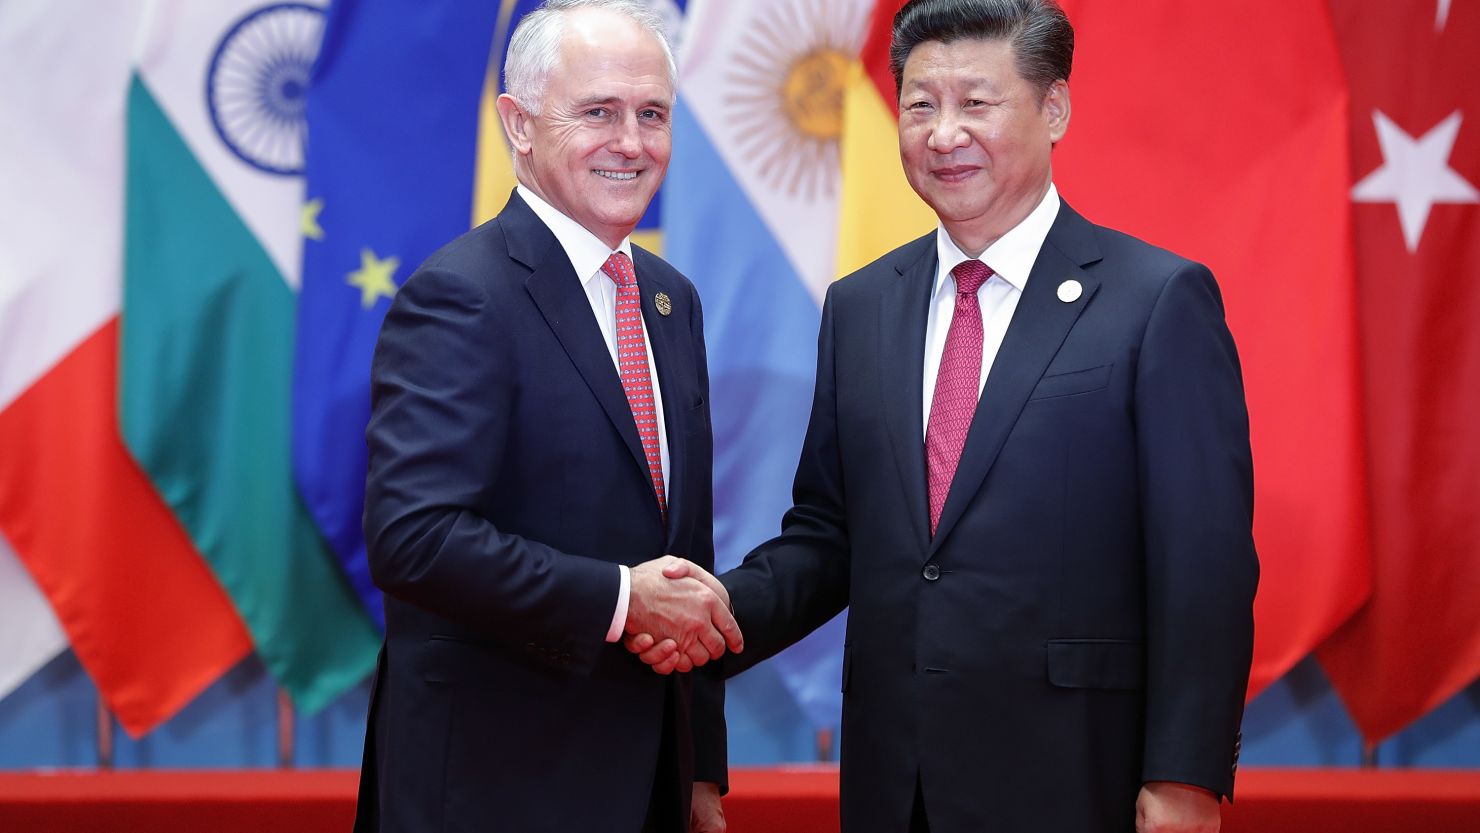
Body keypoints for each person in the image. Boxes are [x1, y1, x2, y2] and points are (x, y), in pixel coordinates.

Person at [633, 1, 1258, 831]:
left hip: (1079, 776)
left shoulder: (1155, 301)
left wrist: (1185, 775)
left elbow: (1204, 563)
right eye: (920, 105)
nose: (943, 133)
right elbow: (830, 536)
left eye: (977, 102)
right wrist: (706, 614)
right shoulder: (861, 307)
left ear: (1055, 108)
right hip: (898, 784)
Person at [355, 2, 740, 831]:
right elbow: (413, 536)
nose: (631, 143)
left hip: (650, 782)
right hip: (498, 786)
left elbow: (686, 554)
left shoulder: (671, 300)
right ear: (518, 124)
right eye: (599, 111)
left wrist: (701, 768)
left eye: (652, 116)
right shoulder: (462, 294)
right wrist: (618, 599)